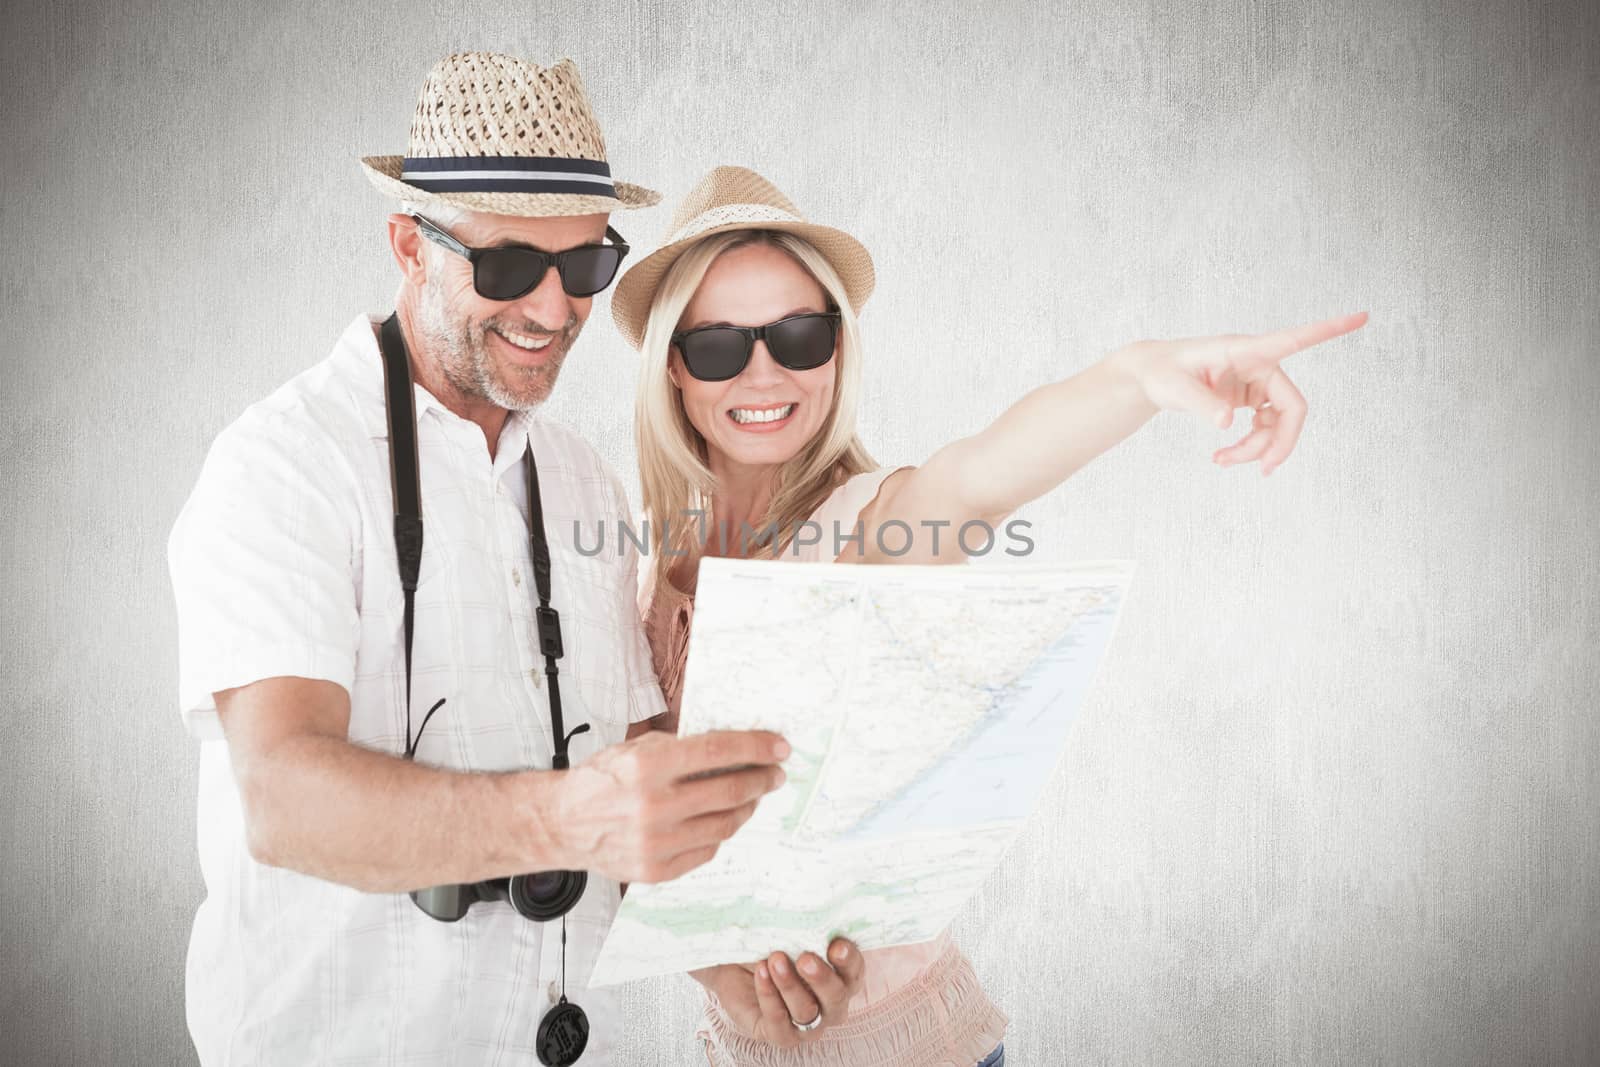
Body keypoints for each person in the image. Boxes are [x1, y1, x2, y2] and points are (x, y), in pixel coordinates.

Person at [610, 165, 1367, 1065]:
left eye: (801, 335)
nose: (765, 372)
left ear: (838, 351)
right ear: (674, 369)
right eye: (720, 347)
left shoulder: (863, 525)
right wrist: (722, 968)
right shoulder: (646, 575)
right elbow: (643, 834)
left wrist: (1140, 376)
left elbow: (975, 480)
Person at [165, 56, 807, 1066]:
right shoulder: (283, 464)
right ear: (407, 247)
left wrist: (738, 963)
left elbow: (644, 793)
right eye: (507, 267)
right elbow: (281, 797)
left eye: (585, 265)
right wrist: (567, 816)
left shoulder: (587, 484)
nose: (553, 310)